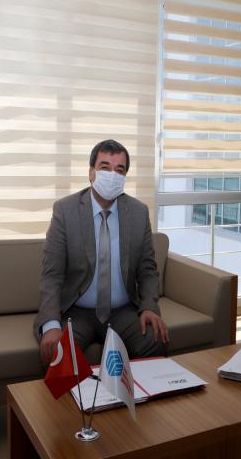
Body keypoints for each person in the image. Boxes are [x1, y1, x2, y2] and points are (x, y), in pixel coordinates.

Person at [35, 139, 169, 365]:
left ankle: (134, 390)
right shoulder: (65, 211)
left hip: (122, 311)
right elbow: (52, 274)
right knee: (59, 356)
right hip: (76, 312)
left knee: (156, 340)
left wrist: (149, 307)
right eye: (105, 167)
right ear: (91, 172)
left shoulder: (138, 212)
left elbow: (147, 270)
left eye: (120, 170)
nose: (112, 175)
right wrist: (51, 324)